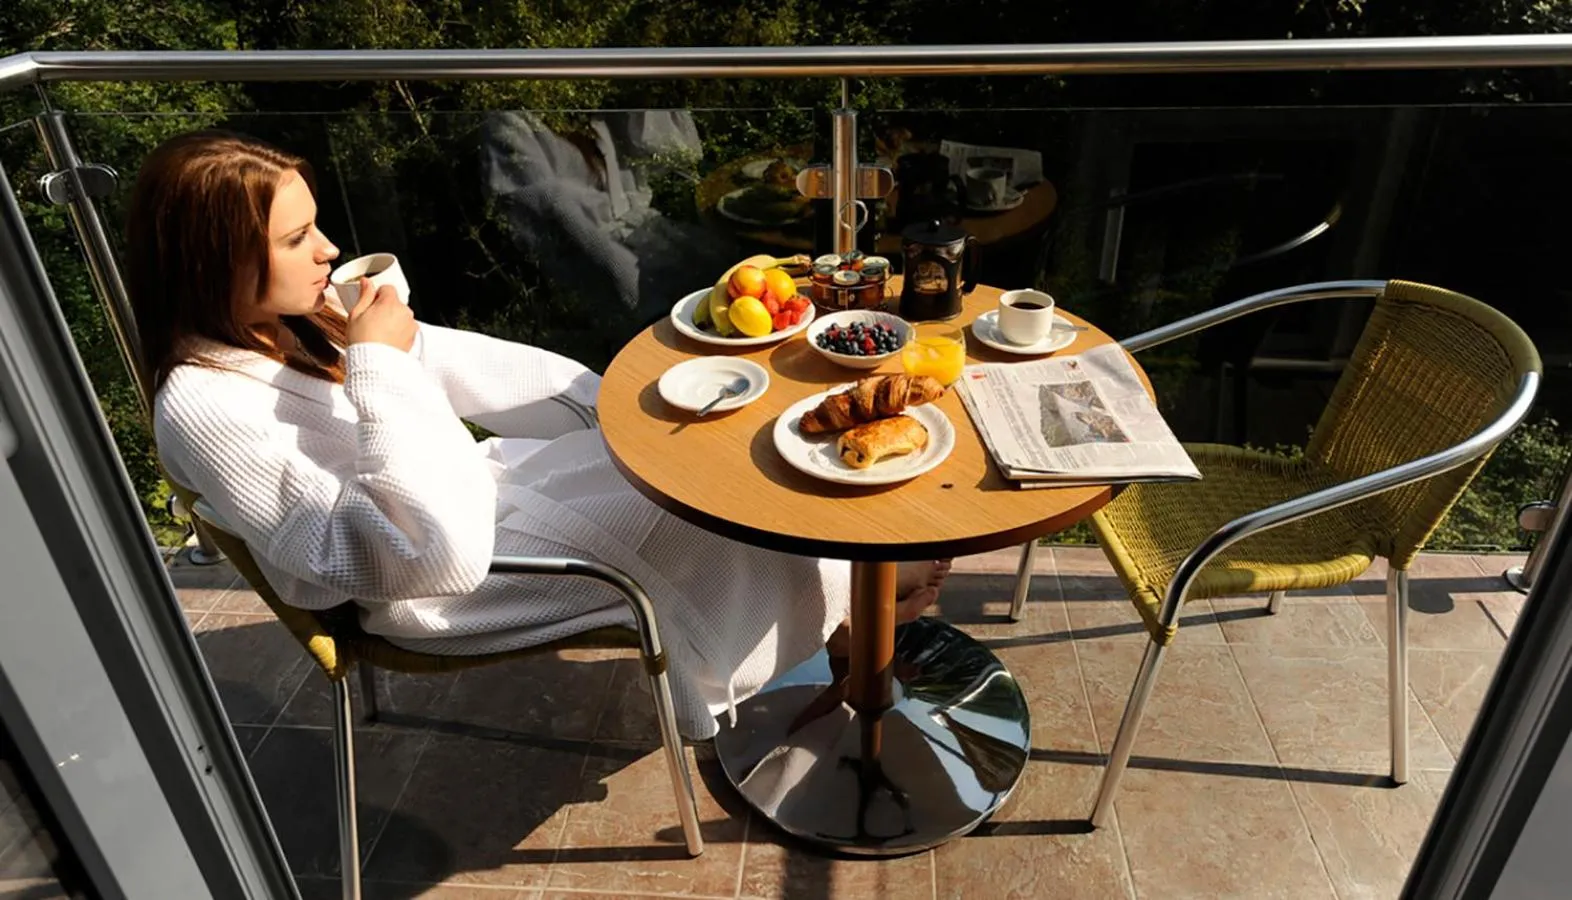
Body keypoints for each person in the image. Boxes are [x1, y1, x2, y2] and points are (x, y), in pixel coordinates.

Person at [128, 130, 948, 740]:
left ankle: (851, 607)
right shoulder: (204, 409)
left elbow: (456, 372)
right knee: (711, 517)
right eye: (295, 239)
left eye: (316, 226)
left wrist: (602, 411)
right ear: (213, 261)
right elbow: (420, 556)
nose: (329, 249)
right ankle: (862, 611)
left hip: (478, 499)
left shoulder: (283, 325)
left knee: (707, 459)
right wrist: (380, 364)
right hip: (441, 583)